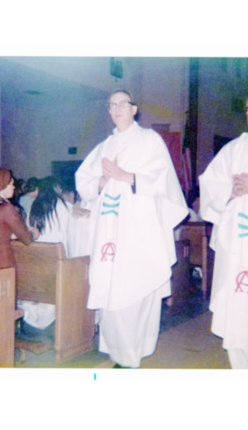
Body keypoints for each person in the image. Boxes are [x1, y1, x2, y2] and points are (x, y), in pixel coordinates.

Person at [75, 89, 188, 368]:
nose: (116, 110)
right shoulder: (104, 146)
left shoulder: (150, 140)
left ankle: (130, 357)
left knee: (135, 292)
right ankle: (120, 357)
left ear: (134, 109)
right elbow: (84, 181)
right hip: (108, 235)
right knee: (112, 293)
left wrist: (127, 177)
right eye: (111, 105)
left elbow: (165, 183)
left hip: (139, 234)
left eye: (122, 104)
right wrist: (101, 181)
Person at [199, 88, 248, 369]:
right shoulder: (233, 149)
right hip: (235, 251)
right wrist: (230, 192)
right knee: (236, 315)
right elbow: (210, 186)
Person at [16, 176, 71, 340]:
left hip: (37, 254)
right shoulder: (61, 205)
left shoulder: (35, 205)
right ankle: (50, 329)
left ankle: (30, 321)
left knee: (40, 296)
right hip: (56, 255)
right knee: (53, 296)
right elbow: (67, 233)